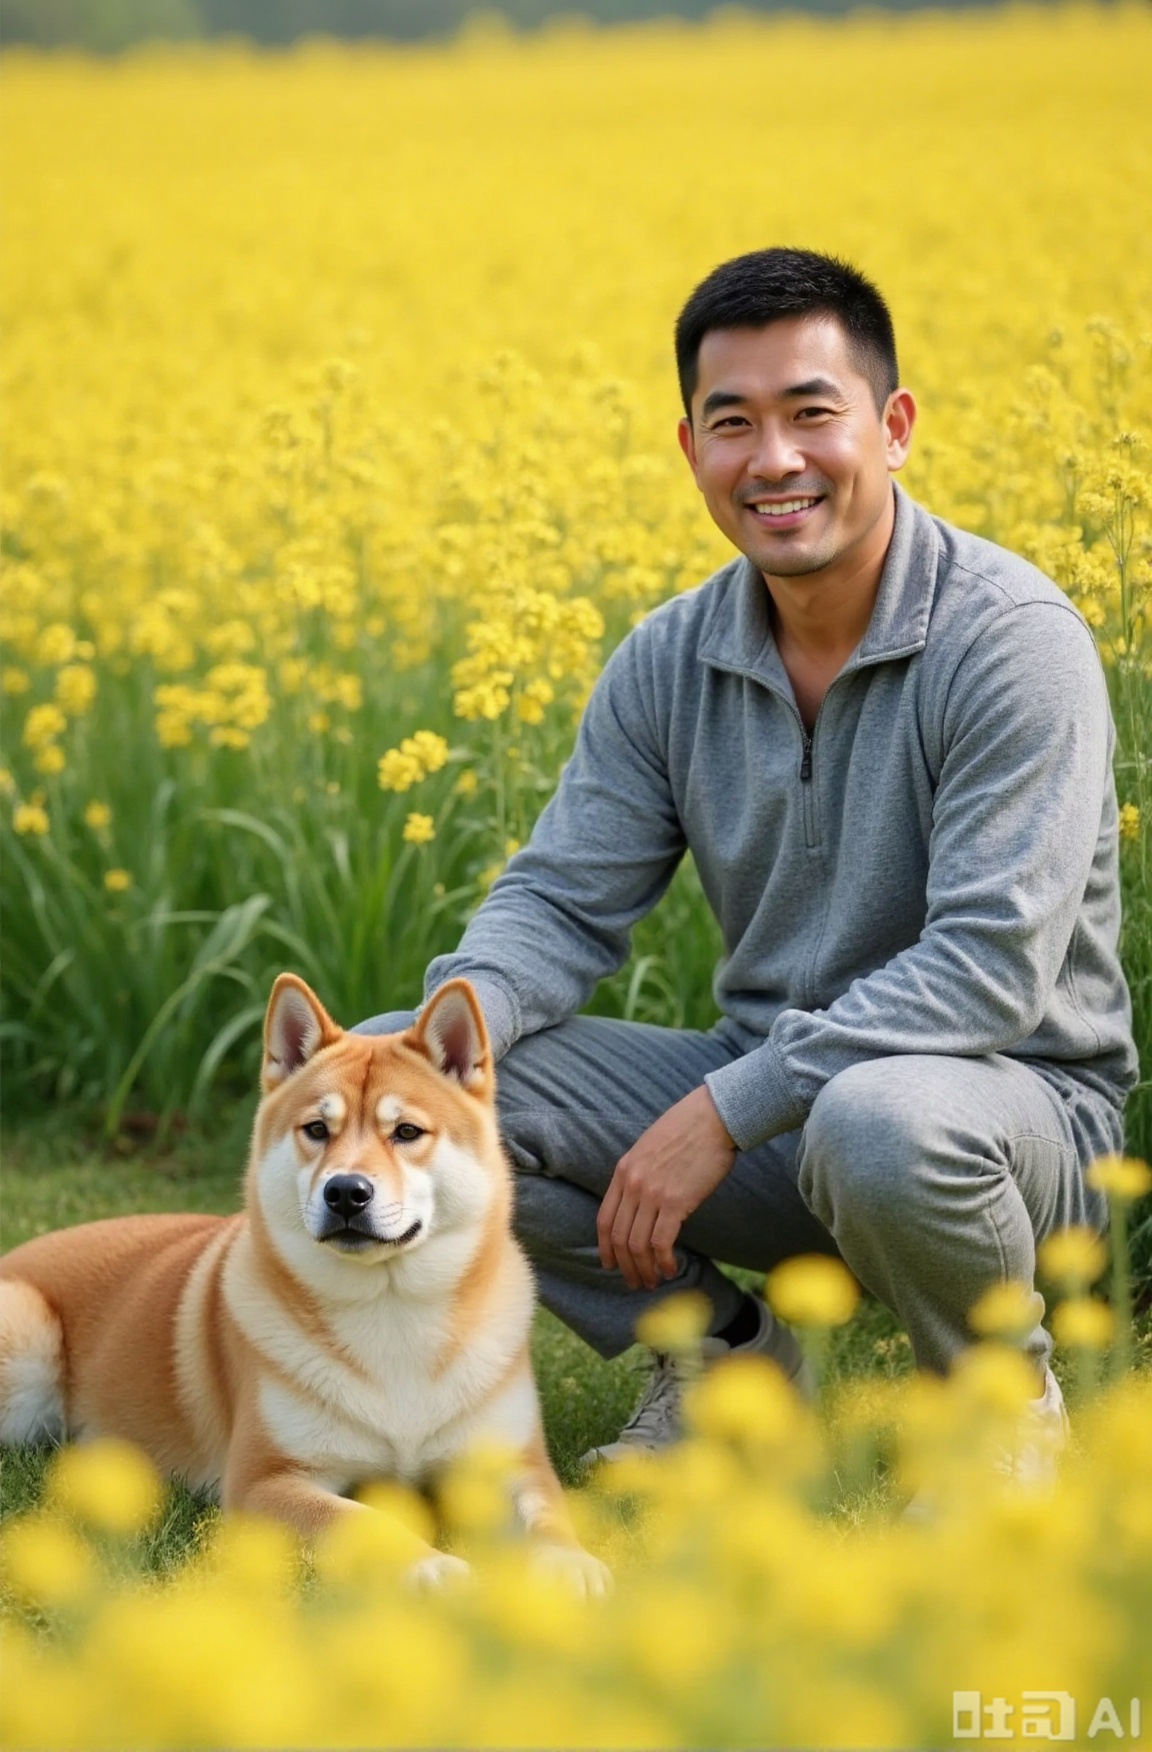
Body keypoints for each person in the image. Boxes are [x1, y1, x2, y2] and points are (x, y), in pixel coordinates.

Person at [358, 247, 1136, 1471]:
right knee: (424, 1103)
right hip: (783, 1120)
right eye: (734, 424)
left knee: (881, 1117)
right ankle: (731, 1360)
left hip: (1015, 1125)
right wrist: (416, 1050)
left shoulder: (1012, 640)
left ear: (894, 427)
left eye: (812, 414)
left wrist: (725, 1110)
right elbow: (559, 905)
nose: (773, 460)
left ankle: (1000, 1414)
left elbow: (991, 971)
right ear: (692, 453)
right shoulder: (670, 660)